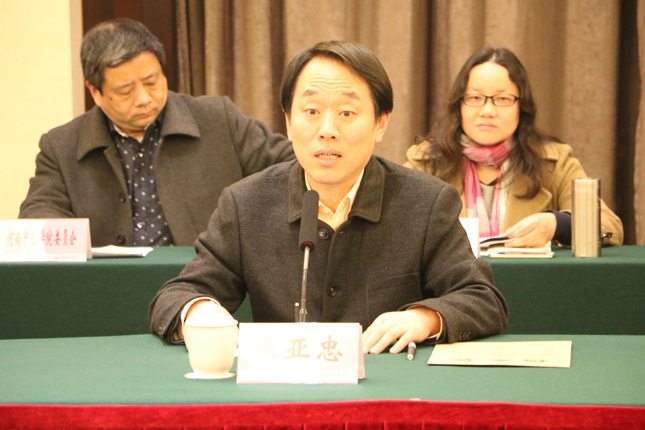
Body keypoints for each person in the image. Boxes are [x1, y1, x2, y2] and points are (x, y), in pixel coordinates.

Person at [149, 41, 508, 354]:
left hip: (387, 394)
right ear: (288, 122)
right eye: (311, 112)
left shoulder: (426, 202)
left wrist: (426, 318)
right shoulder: (246, 205)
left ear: (381, 123)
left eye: (347, 113)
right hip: (284, 394)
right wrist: (199, 310)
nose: (327, 130)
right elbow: (177, 295)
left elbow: (482, 299)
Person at [19, 19, 294, 247]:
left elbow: (289, 165)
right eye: (125, 90)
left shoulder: (217, 118)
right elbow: (40, 211)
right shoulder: (61, 146)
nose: (143, 99)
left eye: (151, 82)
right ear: (95, 91)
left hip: (208, 280)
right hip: (106, 284)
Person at [406, 47, 623, 247]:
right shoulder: (427, 163)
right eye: (475, 97)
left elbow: (610, 227)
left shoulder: (554, 163)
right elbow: (395, 227)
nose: (487, 111)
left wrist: (557, 224)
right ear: (459, 105)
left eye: (502, 99)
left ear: (522, 106)